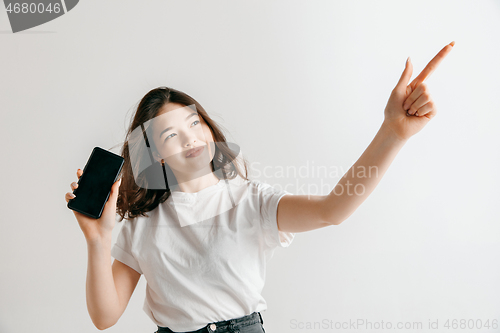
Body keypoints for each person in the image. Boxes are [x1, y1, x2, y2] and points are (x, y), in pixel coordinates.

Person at [65, 42, 454, 333]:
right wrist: (98, 242)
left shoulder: (250, 201)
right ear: (157, 155)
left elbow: (332, 210)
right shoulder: (143, 224)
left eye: (195, 123)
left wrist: (393, 132)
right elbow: (105, 316)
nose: (191, 138)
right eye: (171, 134)